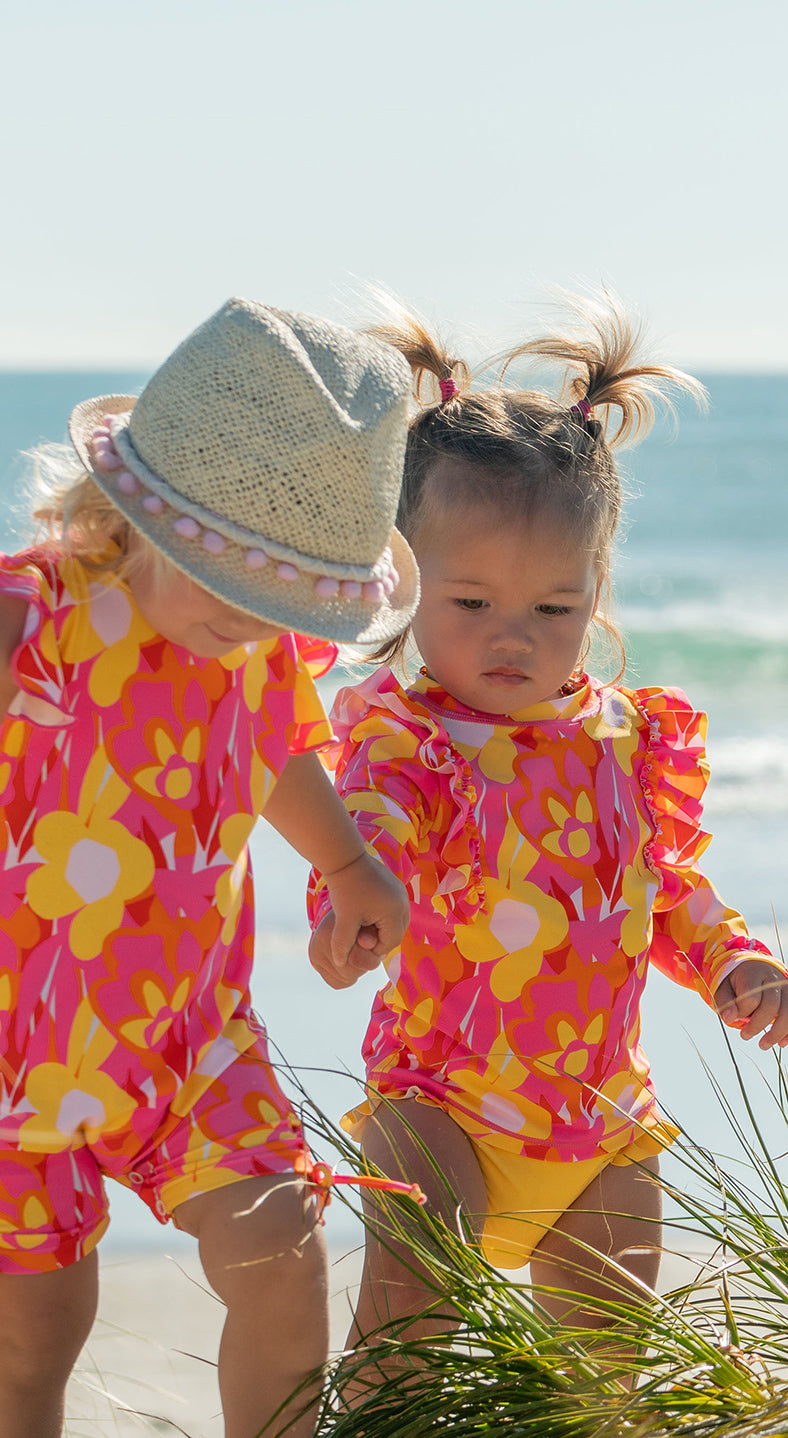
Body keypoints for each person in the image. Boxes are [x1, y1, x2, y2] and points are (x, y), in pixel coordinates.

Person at [0, 297, 419, 1438]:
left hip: (194, 1037)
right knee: (35, 1330)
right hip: (18, 1049)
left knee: (280, 1246)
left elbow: (277, 751)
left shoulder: (253, 652)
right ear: (141, 513)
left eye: (279, 601)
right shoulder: (36, 610)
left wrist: (349, 861)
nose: (248, 620)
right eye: (228, 580)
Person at [308, 296, 788, 1364]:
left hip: (603, 1120)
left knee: (607, 1368)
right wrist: (351, 903)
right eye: (472, 605)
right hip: (441, 1100)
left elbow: (661, 880)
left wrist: (734, 960)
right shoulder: (408, 738)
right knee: (407, 1332)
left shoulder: (628, 739)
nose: (513, 639)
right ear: (402, 581)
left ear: (595, 591)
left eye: (554, 609)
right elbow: (365, 831)